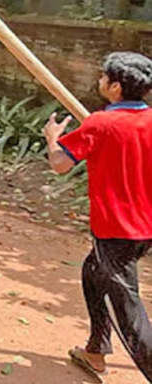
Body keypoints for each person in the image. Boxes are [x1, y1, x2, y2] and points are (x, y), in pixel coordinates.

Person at [43, 52, 152, 382]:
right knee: (93, 273)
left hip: (117, 229)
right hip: (144, 226)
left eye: (104, 77)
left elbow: (60, 164)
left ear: (116, 87)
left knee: (129, 313)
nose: (100, 81)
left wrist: (52, 137)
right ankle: (96, 351)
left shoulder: (100, 123)